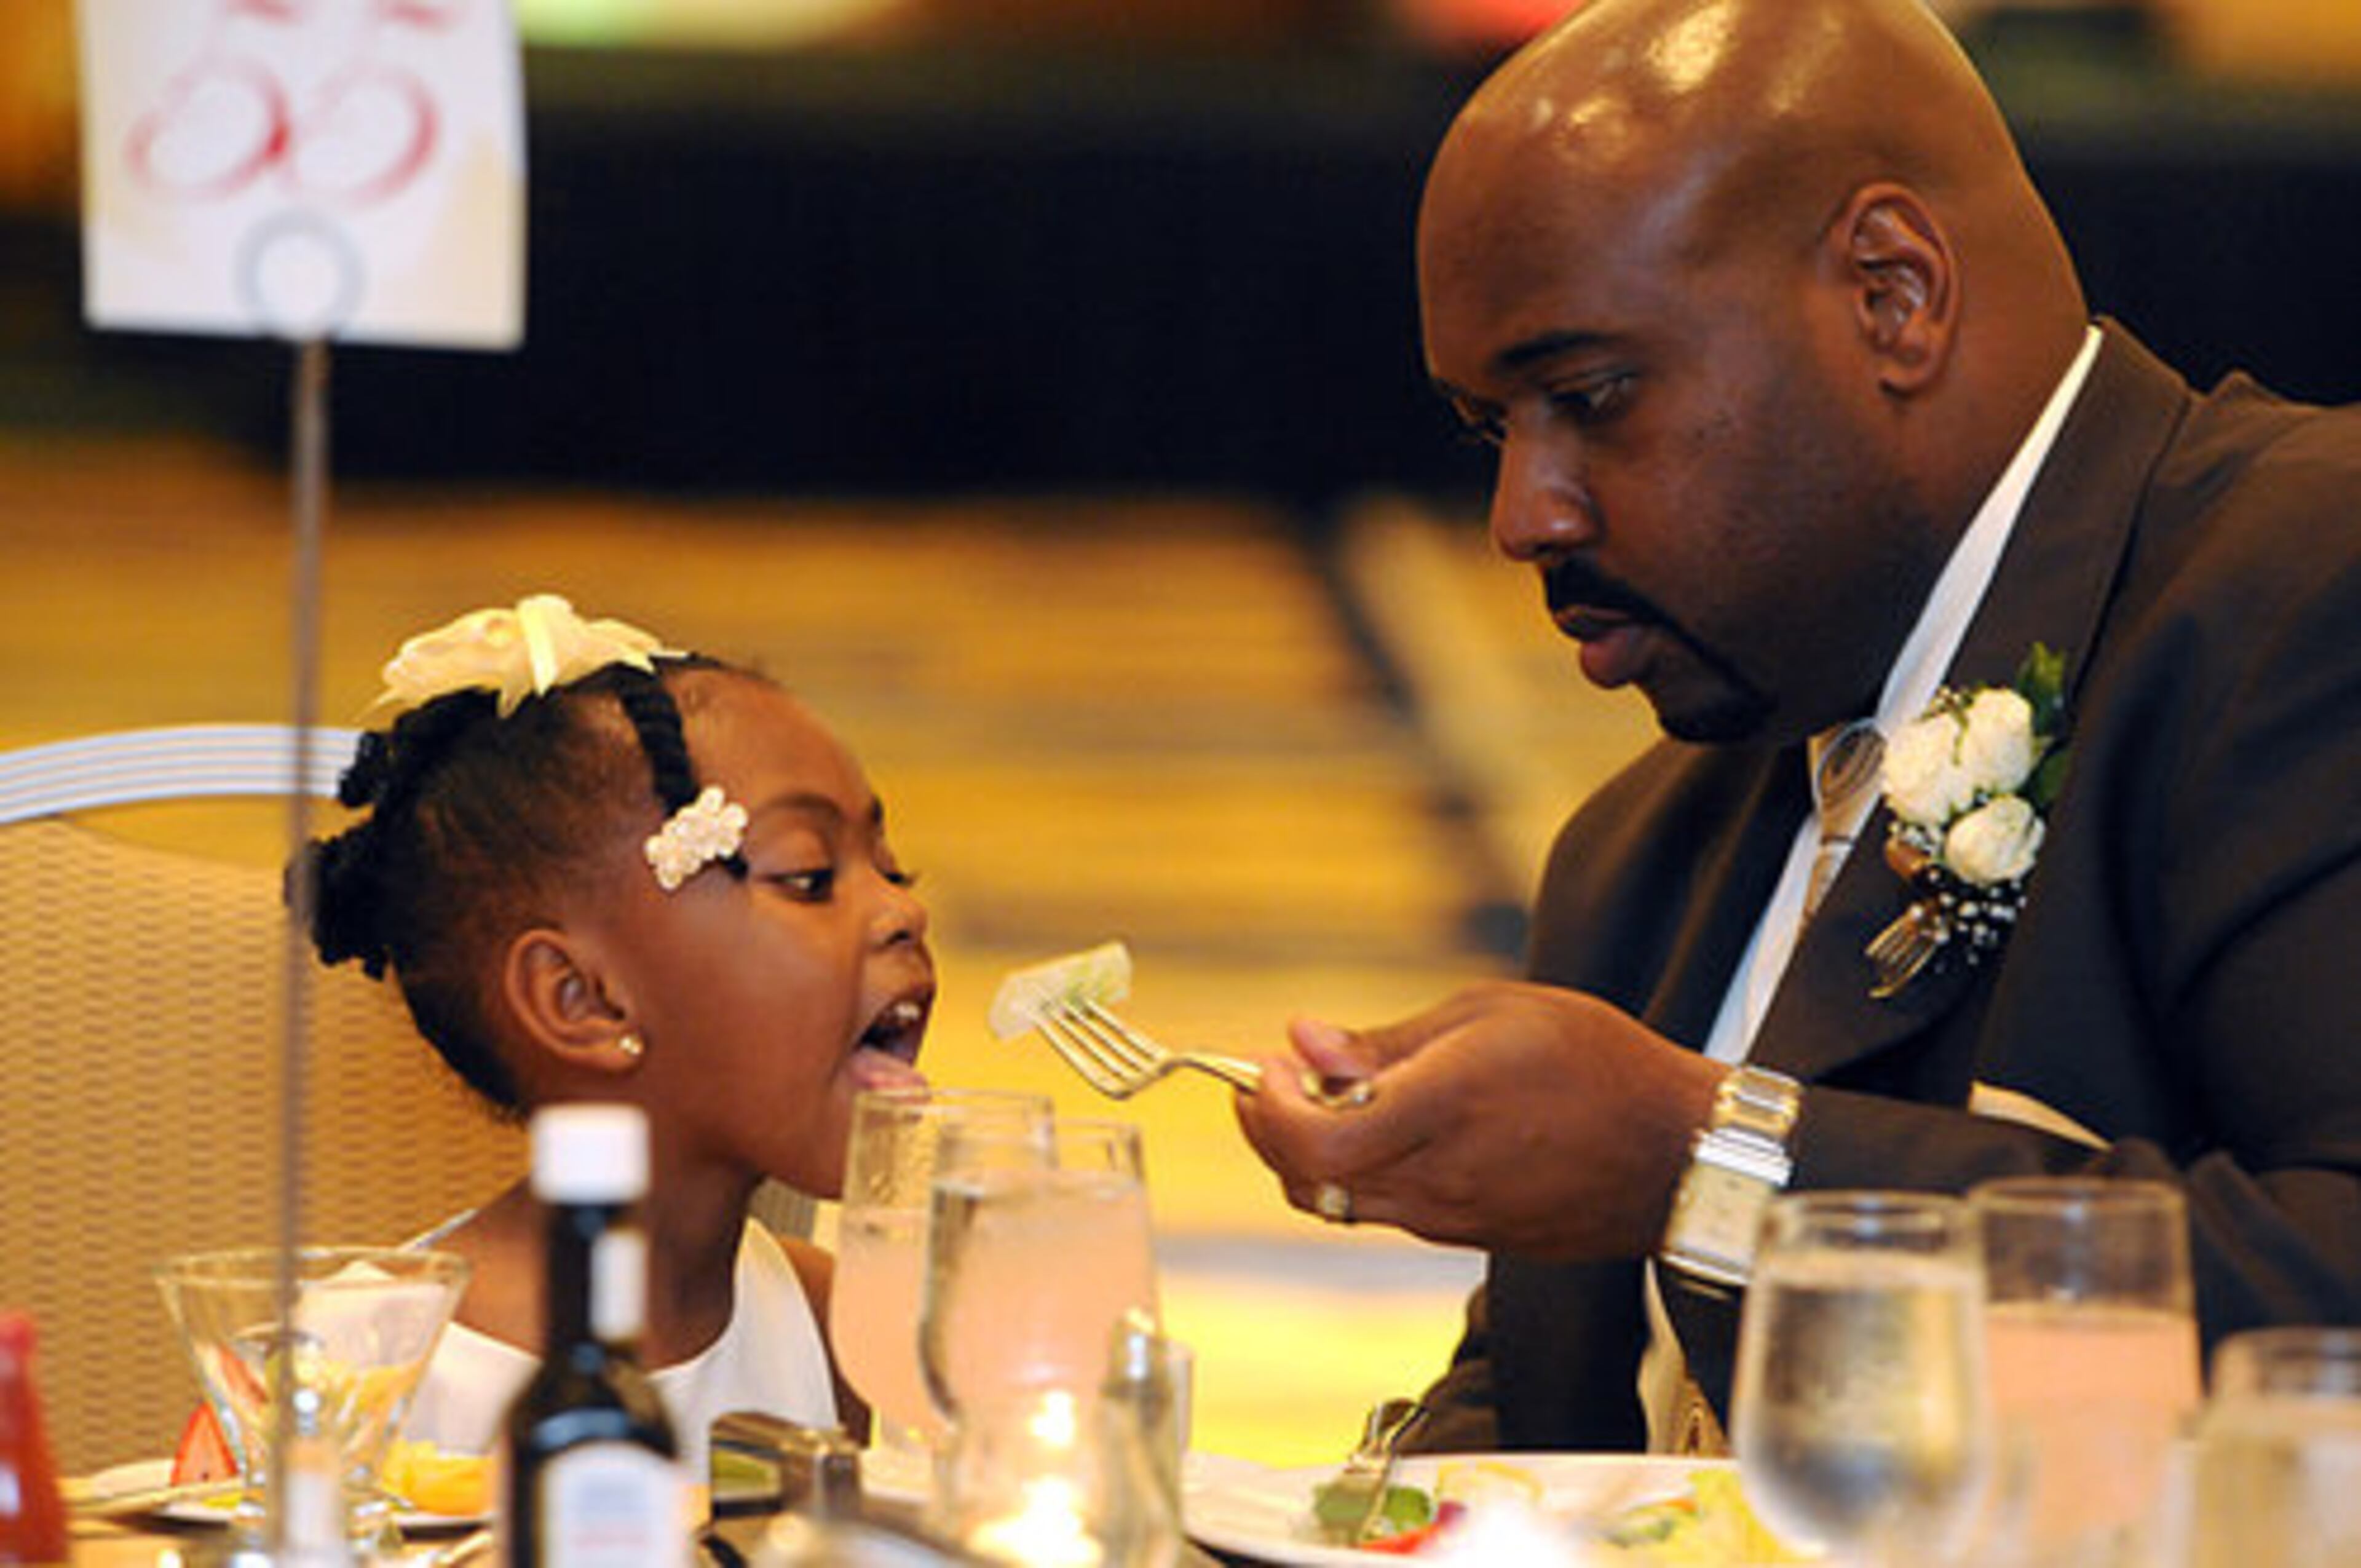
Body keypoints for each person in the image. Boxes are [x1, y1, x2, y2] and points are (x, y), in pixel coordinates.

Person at [1236, 0, 2361, 1454]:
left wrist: (1717, 1166)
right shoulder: (1641, 852)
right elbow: (1532, 1440)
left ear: (1894, 294)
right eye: (1491, 430)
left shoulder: (2309, 587)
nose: (1527, 516)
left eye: (1589, 398)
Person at [296, 593, 935, 1468]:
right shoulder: (361, 1368)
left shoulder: (841, 1333)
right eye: (810, 875)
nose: (905, 908)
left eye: (893, 868)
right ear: (580, 999)